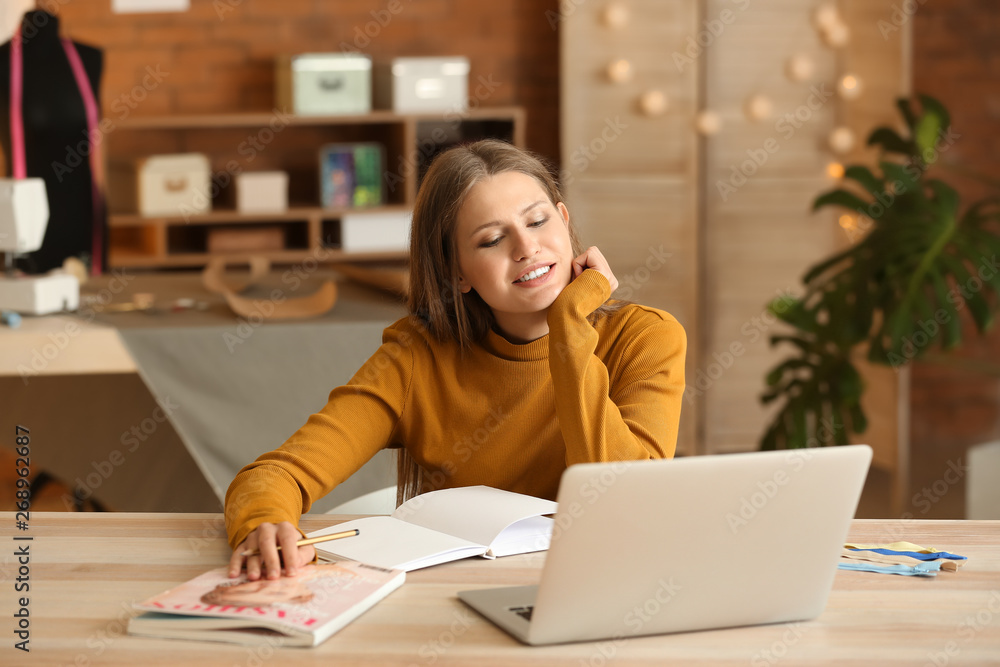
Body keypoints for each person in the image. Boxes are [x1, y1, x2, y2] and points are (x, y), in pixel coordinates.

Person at [225, 139, 686, 581]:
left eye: (538, 221)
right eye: (492, 240)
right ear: (456, 272)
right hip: (453, 597)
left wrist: (568, 327)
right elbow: (276, 474)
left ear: (563, 222)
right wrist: (264, 523)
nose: (526, 248)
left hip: (602, 583)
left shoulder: (645, 338)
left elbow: (626, 503)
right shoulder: (416, 357)